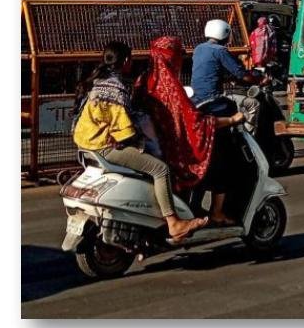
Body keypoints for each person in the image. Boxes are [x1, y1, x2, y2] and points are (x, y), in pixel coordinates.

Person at [73, 41, 207, 242]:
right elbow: (124, 132)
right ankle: (173, 223)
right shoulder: (116, 88)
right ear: (126, 61)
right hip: (104, 145)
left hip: (85, 142)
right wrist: (142, 141)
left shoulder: (98, 81)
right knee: (160, 169)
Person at [136, 36, 245, 227]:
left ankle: (192, 207)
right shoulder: (170, 87)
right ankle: (217, 212)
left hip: (154, 142)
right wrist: (231, 120)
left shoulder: (145, 79)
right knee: (220, 160)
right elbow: (194, 123)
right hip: (172, 148)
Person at [191, 19, 262, 116]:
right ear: (224, 33)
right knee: (253, 104)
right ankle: (246, 131)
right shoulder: (221, 50)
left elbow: (210, 72)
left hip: (196, 98)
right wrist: (260, 81)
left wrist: (229, 79)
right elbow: (242, 74)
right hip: (213, 98)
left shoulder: (198, 48)